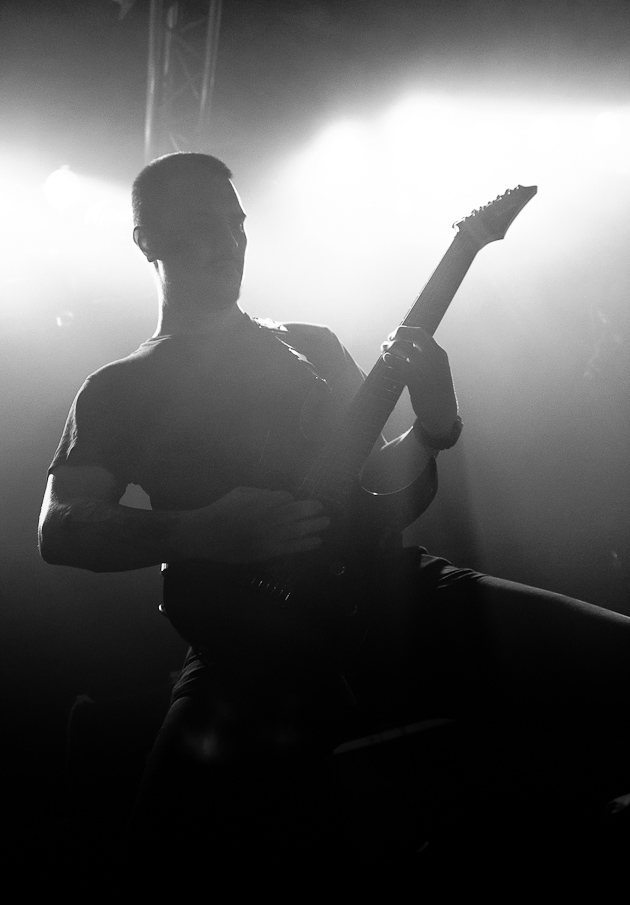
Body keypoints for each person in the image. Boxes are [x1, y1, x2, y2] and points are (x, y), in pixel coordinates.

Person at [38, 152, 630, 891]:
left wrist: (434, 427)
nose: (228, 243)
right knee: (160, 870)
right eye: (200, 227)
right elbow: (61, 528)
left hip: (396, 598)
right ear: (145, 241)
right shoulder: (121, 386)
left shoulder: (310, 345)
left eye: (236, 223)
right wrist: (197, 531)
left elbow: (379, 490)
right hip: (247, 651)